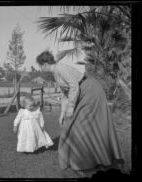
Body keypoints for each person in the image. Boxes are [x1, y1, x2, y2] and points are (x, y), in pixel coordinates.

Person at [36, 50, 124, 178]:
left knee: (80, 126)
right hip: (83, 93)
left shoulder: (60, 68)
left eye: (40, 66)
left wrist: (71, 108)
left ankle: (84, 163)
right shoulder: (56, 73)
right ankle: (97, 160)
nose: (40, 68)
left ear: (44, 64)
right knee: (81, 127)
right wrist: (62, 113)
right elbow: (65, 95)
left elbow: (74, 86)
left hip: (90, 91)